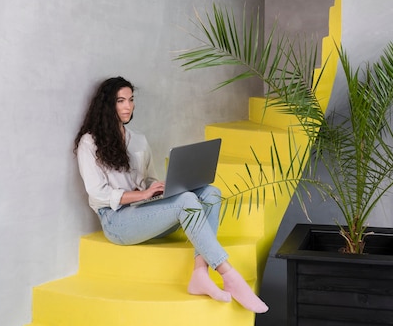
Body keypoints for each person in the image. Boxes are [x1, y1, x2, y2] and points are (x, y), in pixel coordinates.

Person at [73, 76, 268, 313]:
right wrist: (142, 195)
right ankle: (229, 275)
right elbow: (97, 193)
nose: (128, 106)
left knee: (210, 192)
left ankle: (200, 273)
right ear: (107, 105)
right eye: (120, 101)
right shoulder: (89, 143)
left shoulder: (139, 141)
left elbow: (149, 180)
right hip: (117, 222)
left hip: (145, 216)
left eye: (131, 100)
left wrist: (161, 188)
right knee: (187, 201)